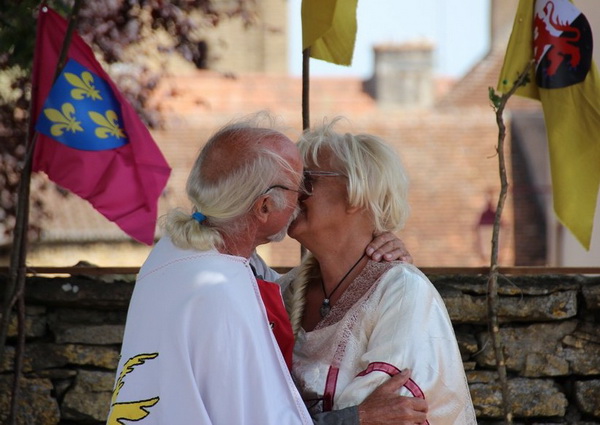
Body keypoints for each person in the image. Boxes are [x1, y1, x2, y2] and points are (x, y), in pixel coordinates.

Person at [106, 114, 427, 425]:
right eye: (300, 184)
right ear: (264, 207)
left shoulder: (179, 252)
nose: (303, 196)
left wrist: (373, 241)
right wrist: (358, 419)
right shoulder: (221, 293)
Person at [283, 119, 477, 424]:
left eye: (307, 179)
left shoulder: (402, 292)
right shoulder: (284, 290)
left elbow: (389, 412)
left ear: (357, 191)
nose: (291, 192)